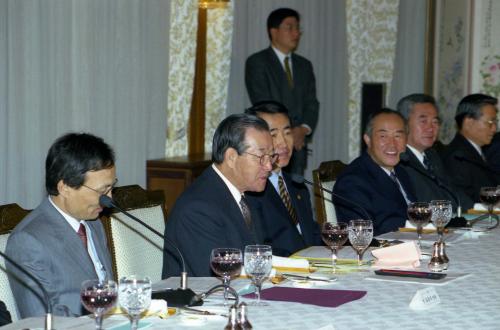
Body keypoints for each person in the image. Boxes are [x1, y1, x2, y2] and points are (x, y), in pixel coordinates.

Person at [6, 133, 115, 318]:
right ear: (65, 187)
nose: (109, 198)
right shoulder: (28, 241)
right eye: (102, 191)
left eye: (112, 187)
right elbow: (41, 319)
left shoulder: (94, 223)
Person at [162, 114, 274, 277]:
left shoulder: (245, 194)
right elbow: (218, 277)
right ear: (231, 157)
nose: (269, 166)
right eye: (262, 157)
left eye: (271, 156)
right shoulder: (197, 209)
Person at [245, 7, 319, 176]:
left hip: (298, 144)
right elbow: (263, 103)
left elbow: (312, 102)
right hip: (272, 143)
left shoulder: (304, 65)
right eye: (289, 27)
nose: (296, 33)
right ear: (274, 31)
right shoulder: (257, 62)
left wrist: (303, 129)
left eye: (298, 28)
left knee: (295, 192)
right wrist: (288, 131)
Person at [245, 101, 321, 257]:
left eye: (287, 133)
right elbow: (258, 247)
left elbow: (312, 236)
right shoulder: (250, 191)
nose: (283, 143)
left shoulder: (297, 184)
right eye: (273, 135)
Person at [333, 108, 416, 236]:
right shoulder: (352, 181)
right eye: (383, 136)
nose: (392, 144)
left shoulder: (402, 171)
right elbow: (362, 235)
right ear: (368, 139)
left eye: (398, 136)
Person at [397, 93, 473, 211]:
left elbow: (453, 192)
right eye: (423, 121)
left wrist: (479, 208)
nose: (431, 128)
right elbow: (426, 202)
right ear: (404, 124)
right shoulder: (400, 160)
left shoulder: (432, 155)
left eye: (435, 122)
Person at [441, 94, 499, 202]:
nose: (494, 129)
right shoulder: (457, 157)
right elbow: (464, 202)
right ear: (468, 123)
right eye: (490, 123)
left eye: (496, 123)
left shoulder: (479, 151)